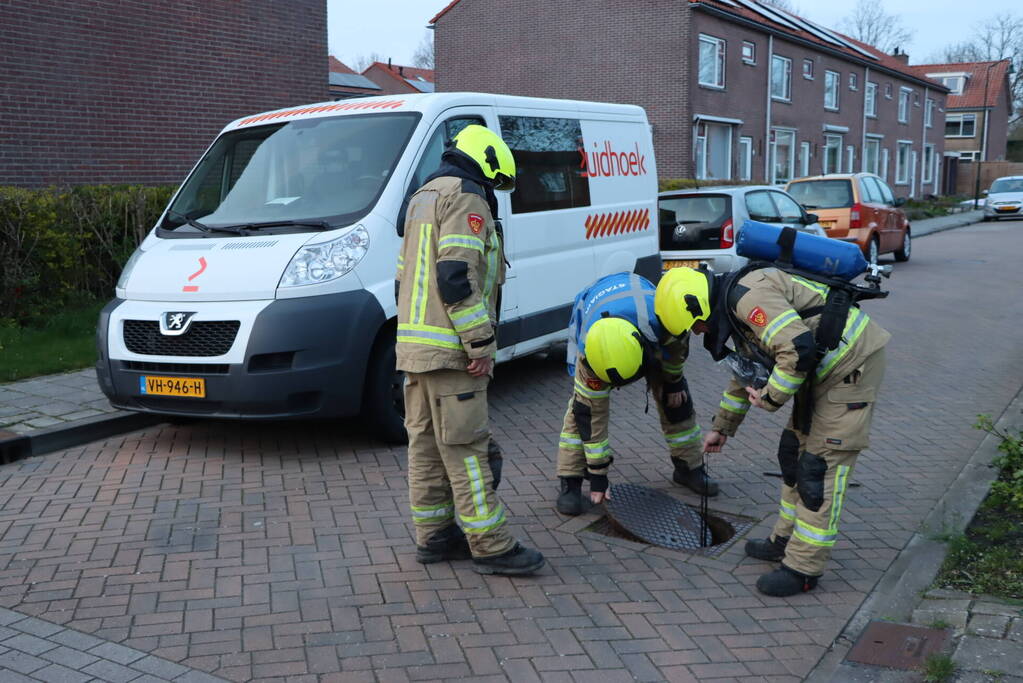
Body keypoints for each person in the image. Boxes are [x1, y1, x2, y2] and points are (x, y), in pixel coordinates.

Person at [655, 266, 889, 597]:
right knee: (792, 452)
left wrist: (771, 397)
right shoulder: (733, 308)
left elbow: (797, 349)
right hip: (820, 370)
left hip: (850, 367)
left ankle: (803, 569)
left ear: (697, 306)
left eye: (695, 326)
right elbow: (748, 371)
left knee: (817, 470)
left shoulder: (749, 299)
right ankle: (783, 540)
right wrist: (723, 427)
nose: (697, 332)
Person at [396, 124, 544, 576]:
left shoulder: (424, 195)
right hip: (452, 352)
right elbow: (457, 276)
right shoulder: (466, 197)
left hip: (417, 349)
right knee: (467, 448)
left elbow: (406, 279)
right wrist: (478, 341)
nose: (493, 190)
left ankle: (435, 535)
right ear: (487, 161)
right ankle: (491, 544)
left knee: (425, 446)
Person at [555, 272, 719, 516]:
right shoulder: (588, 356)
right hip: (600, 323)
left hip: (646, 329)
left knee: (677, 400)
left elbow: (677, 347)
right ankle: (571, 481)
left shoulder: (664, 320)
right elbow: (591, 418)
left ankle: (689, 468)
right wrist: (599, 477)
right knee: (582, 412)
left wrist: (673, 382)